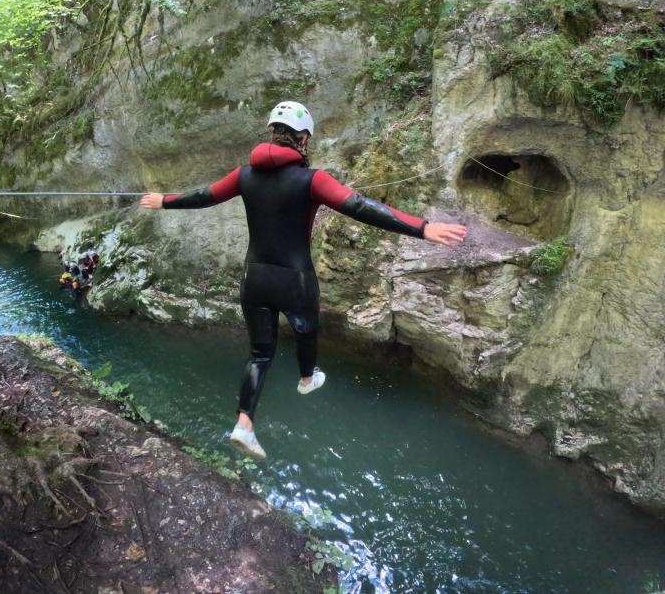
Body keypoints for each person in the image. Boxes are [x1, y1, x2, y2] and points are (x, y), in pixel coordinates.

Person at [140, 101, 467, 458]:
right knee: (306, 329)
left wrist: (164, 201)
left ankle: (244, 424)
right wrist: (423, 227)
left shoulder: (243, 175)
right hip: (294, 280)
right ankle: (307, 378)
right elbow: (357, 205)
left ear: (272, 133)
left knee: (259, 355)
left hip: (254, 278)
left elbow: (205, 196)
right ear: (304, 139)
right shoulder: (313, 180)